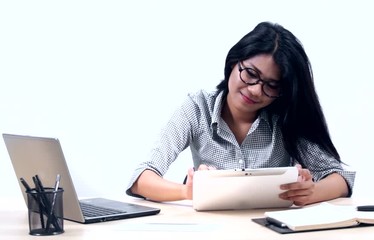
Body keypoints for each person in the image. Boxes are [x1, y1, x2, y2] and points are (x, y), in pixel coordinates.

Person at [126, 21, 355, 206]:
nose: (256, 90)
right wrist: (187, 191)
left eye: (272, 85)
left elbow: (340, 179)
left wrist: (311, 191)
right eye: (250, 73)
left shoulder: (285, 118)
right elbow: (141, 179)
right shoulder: (197, 109)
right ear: (234, 62)